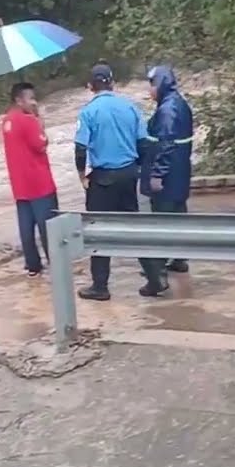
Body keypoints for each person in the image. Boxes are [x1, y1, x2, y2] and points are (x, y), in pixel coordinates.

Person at [73, 62, 169, 300]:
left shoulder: (88, 112)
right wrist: (137, 169)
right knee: (133, 227)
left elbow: (80, 149)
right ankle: (155, 277)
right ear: (112, 83)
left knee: (98, 232)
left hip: (103, 179)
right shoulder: (130, 107)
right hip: (128, 176)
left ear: (90, 86)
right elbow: (145, 143)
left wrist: (81, 176)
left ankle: (100, 286)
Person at [1, 82, 57, 277]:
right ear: (19, 100)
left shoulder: (6, 121)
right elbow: (41, 144)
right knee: (48, 226)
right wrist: (39, 121)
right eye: (31, 98)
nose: (34, 102)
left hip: (20, 185)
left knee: (26, 226)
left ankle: (32, 266)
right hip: (39, 183)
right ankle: (56, 263)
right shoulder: (28, 120)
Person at [144, 65, 194, 273]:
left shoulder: (167, 109)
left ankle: (159, 265)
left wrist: (156, 174)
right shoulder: (178, 103)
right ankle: (179, 258)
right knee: (178, 213)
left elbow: (166, 143)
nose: (150, 90)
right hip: (180, 171)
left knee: (162, 217)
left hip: (169, 174)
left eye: (152, 85)